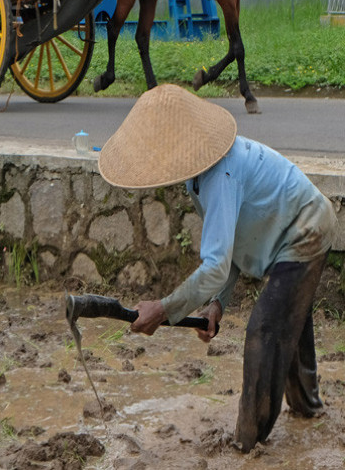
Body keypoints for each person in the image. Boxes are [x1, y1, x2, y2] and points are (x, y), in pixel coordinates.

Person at [98, 84, 337, 454]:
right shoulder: (201, 177)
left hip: (305, 230)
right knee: (290, 319)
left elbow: (214, 266)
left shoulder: (220, 178)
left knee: (266, 332)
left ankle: (247, 442)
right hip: (291, 230)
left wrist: (163, 309)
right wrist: (217, 304)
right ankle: (309, 410)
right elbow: (233, 245)